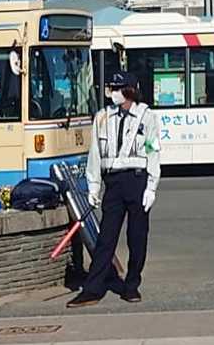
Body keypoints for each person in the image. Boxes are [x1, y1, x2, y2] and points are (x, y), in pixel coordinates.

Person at [68, 72, 161, 307]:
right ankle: (92, 289)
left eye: (117, 88)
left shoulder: (147, 116)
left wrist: (151, 187)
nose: (113, 93)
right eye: (112, 88)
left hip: (137, 180)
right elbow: (95, 153)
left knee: (137, 237)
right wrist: (93, 187)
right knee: (106, 238)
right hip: (113, 182)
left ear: (129, 90)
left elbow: (153, 151)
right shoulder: (102, 117)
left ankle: (131, 285)